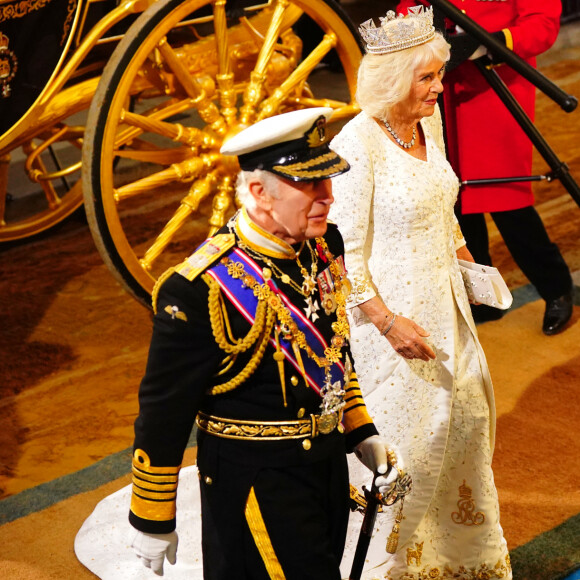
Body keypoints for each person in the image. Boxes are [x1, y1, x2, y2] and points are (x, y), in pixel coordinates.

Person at [126, 107, 399, 580]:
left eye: (327, 181)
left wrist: (359, 429)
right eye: (311, 185)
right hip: (255, 484)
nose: (328, 197)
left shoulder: (322, 246)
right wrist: (152, 517)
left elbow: (333, 349)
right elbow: (163, 411)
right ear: (258, 192)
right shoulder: (199, 288)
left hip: (327, 468)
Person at [327, 7, 512, 579]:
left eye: (439, 74)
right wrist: (386, 323)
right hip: (391, 330)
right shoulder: (357, 144)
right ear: (393, 80)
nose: (439, 87)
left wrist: (468, 267)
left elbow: (443, 207)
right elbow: (340, 254)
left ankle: (457, 564)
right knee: (406, 453)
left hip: (449, 318)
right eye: (427, 77)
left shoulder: (424, 126)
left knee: (464, 432)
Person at [397, 0, 574, 335]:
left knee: (508, 199)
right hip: (441, 90)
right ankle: (483, 299)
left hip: (497, 82)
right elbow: (410, 8)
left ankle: (556, 288)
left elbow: (542, 23)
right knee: (455, 200)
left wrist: (493, 41)